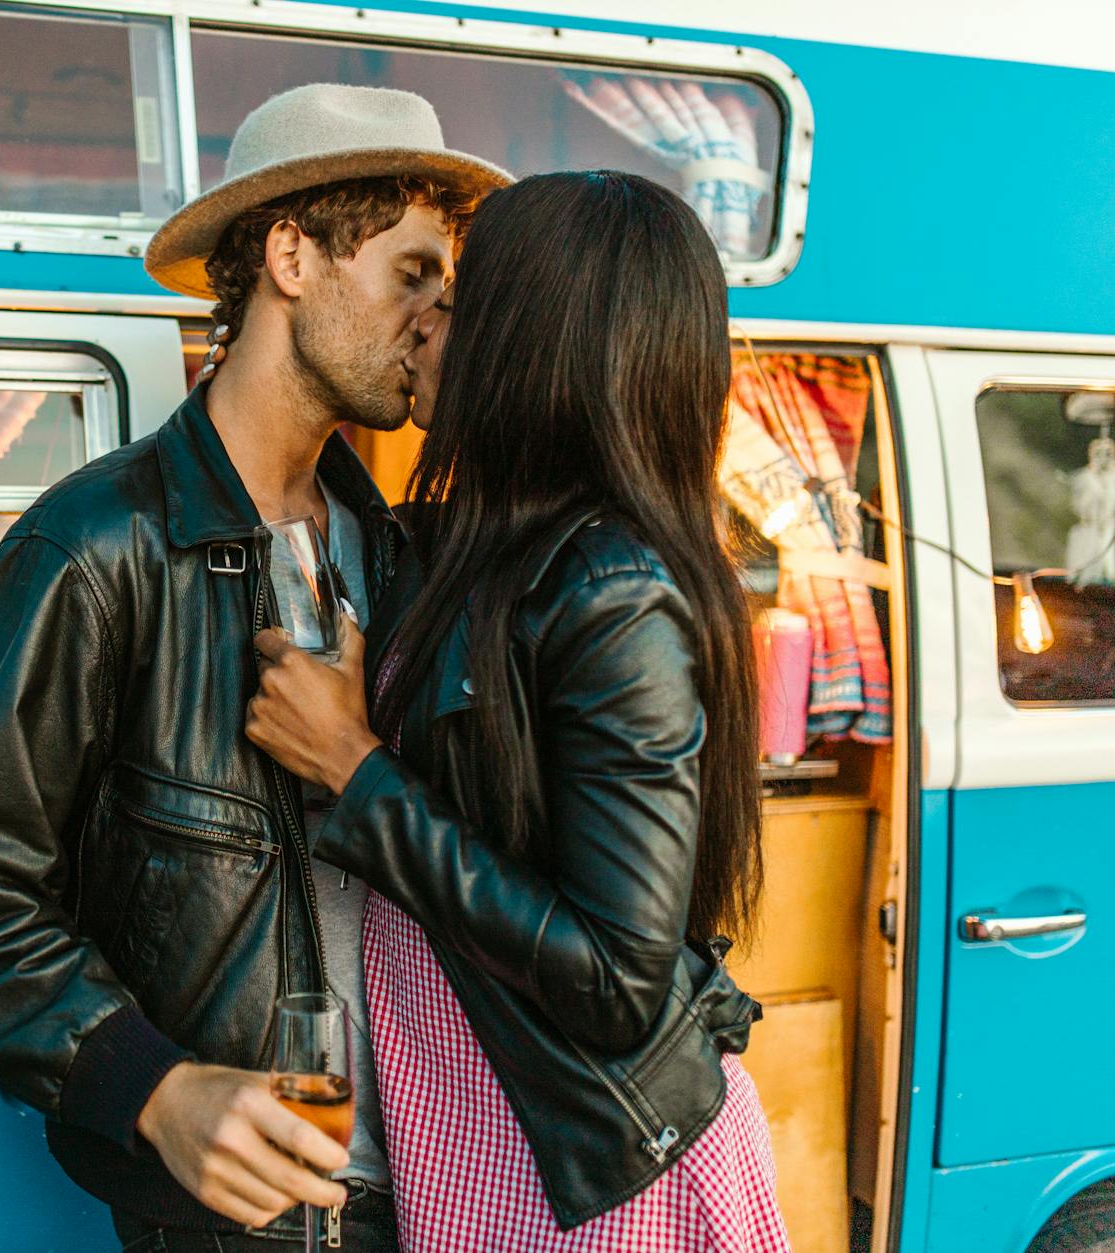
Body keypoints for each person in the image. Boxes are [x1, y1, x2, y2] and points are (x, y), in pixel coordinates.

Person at [0, 83, 507, 1251]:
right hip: (241, 1218)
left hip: (442, 1187)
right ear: (289, 255)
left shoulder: (404, 557)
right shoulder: (93, 549)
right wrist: (157, 1091)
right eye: (411, 273)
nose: (435, 319)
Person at [245, 171, 793, 1251]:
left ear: (525, 344)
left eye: (452, 304)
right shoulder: (464, 548)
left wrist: (359, 771)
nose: (423, 326)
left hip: (585, 1173)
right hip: (480, 1134)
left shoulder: (613, 590)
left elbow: (614, 977)